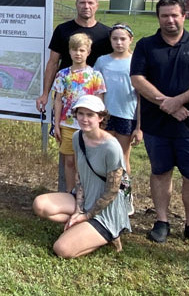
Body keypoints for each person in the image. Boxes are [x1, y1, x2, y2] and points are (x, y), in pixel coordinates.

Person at [130, 0, 189, 249]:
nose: (169, 20)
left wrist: (177, 101)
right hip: (157, 125)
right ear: (158, 18)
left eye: (174, 15)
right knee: (160, 173)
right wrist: (166, 105)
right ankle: (162, 221)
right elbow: (138, 79)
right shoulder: (147, 45)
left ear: (184, 16)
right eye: (164, 15)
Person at [32, 95, 131, 258]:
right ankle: (86, 229)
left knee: (61, 249)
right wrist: (79, 209)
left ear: (100, 118)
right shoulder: (78, 137)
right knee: (40, 204)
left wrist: (86, 215)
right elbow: (80, 176)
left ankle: (109, 234)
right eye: (81, 114)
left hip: (106, 209)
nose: (84, 119)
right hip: (85, 197)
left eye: (90, 115)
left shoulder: (111, 147)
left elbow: (112, 192)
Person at [35, 0, 112, 116]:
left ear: (97, 6)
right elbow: (53, 63)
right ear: (76, 5)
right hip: (66, 95)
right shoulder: (62, 30)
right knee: (64, 133)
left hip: (94, 97)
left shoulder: (106, 34)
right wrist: (45, 94)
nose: (86, 6)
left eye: (90, 3)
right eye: (82, 2)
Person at [51, 33, 106, 192]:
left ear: (88, 52)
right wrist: (56, 125)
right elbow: (58, 100)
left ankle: (86, 194)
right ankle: (70, 193)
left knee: (85, 162)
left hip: (88, 126)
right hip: (67, 124)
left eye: (82, 50)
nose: (78, 54)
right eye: (74, 50)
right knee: (69, 162)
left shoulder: (95, 75)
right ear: (69, 52)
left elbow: (99, 102)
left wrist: (98, 125)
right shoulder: (63, 74)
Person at [93, 24, 141, 188]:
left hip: (126, 115)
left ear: (130, 40)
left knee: (122, 155)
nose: (119, 42)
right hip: (106, 115)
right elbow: (96, 88)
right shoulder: (102, 61)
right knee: (105, 154)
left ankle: (125, 194)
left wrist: (139, 127)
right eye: (115, 39)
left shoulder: (136, 60)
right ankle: (105, 191)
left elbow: (141, 95)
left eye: (123, 39)